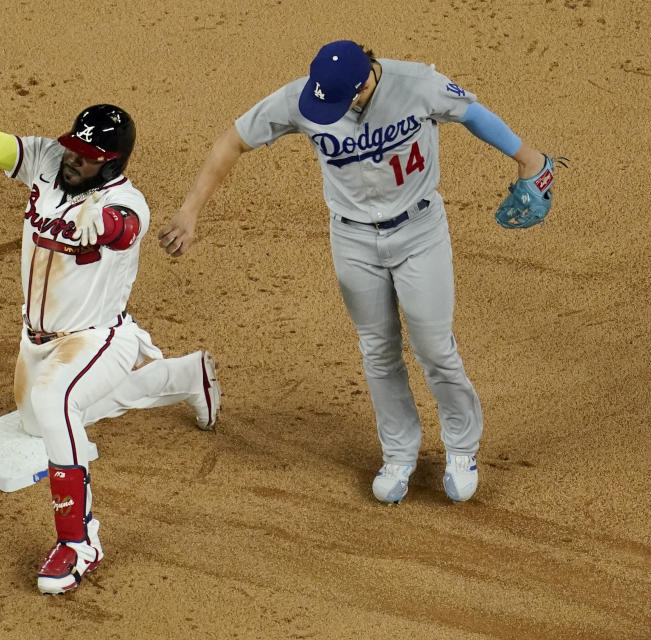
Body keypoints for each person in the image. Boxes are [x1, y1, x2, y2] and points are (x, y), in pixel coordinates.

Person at [0, 76, 222, 593]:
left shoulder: (128, 203)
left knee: (55, 404)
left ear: (114, 162)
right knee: (39, 424)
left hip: (96, 339)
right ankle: (185, 377)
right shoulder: (48, 162)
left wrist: (107, 222)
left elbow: (124, 226)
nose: (74, 160)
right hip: (38, 341)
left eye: (89, 156)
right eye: (75, 148)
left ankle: (80, 542)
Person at [159, 40, 560, 504]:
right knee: (377, 350)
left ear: (361, 85)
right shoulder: (302, 97)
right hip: (352, 239)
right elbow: (232, 141)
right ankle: (399, 453)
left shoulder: (417, 84)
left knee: (435, 348)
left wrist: (528, 157)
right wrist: (190, 211)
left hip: (420, 231)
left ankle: (462, 448)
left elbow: (471, 112)